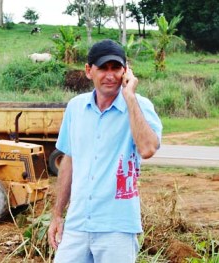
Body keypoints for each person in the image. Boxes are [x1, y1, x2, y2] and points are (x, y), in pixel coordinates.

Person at [48, 39, 162, 263]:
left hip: (116, 228)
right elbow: (69, 162)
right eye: (103, 68)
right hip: (77, 224)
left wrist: (129, 97)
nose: (110, 75)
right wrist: (57, 214)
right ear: (89, 71)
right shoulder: (76, 108)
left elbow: (148, 149)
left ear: (126, 71)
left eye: (116, 68)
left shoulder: (139, 106)